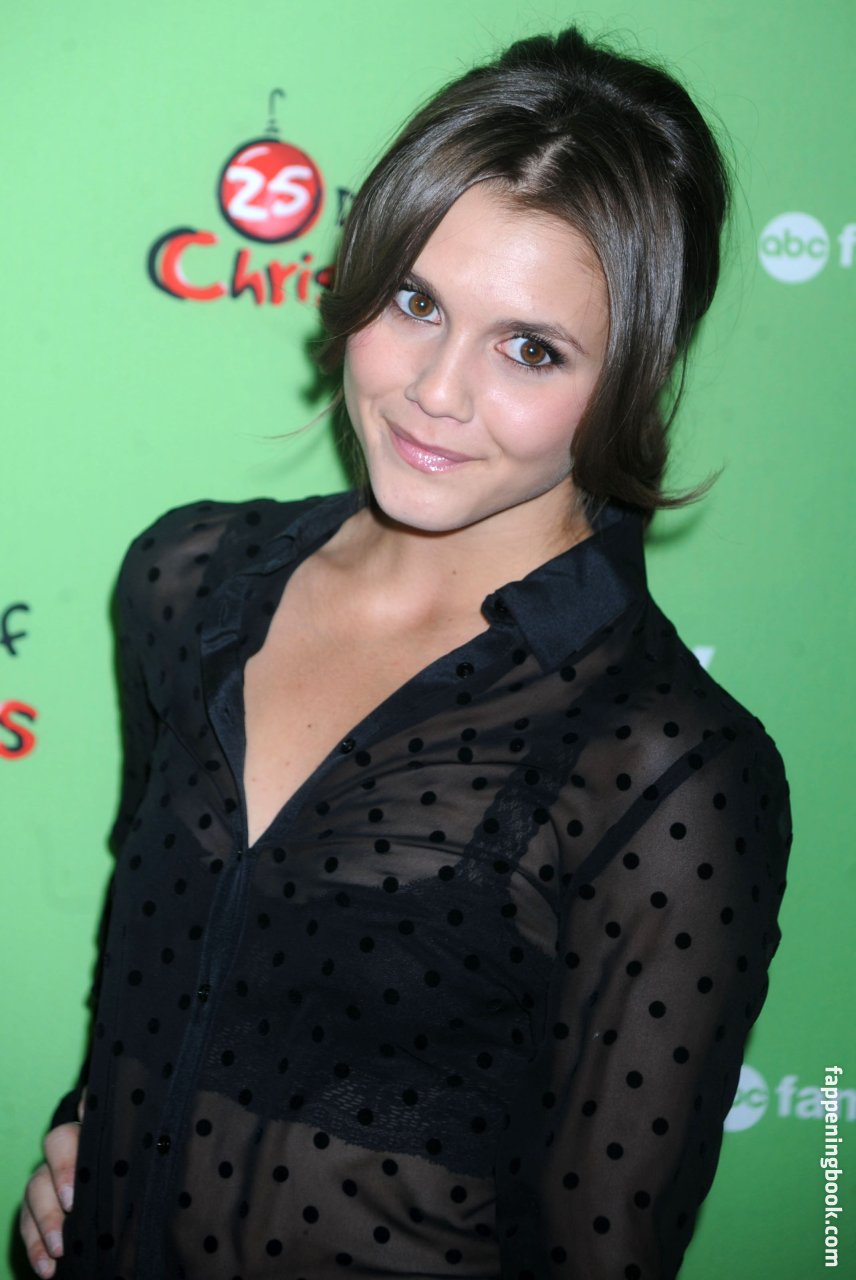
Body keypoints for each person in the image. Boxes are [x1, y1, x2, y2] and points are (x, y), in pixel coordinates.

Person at [20, 25, 791, 1280]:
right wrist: (88, 1125)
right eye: (416, 301)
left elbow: (601, 1251)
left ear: (631, 379)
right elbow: (160, 951)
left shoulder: (665, 765)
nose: (437, 390)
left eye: (530, 348)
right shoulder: (187, 581)